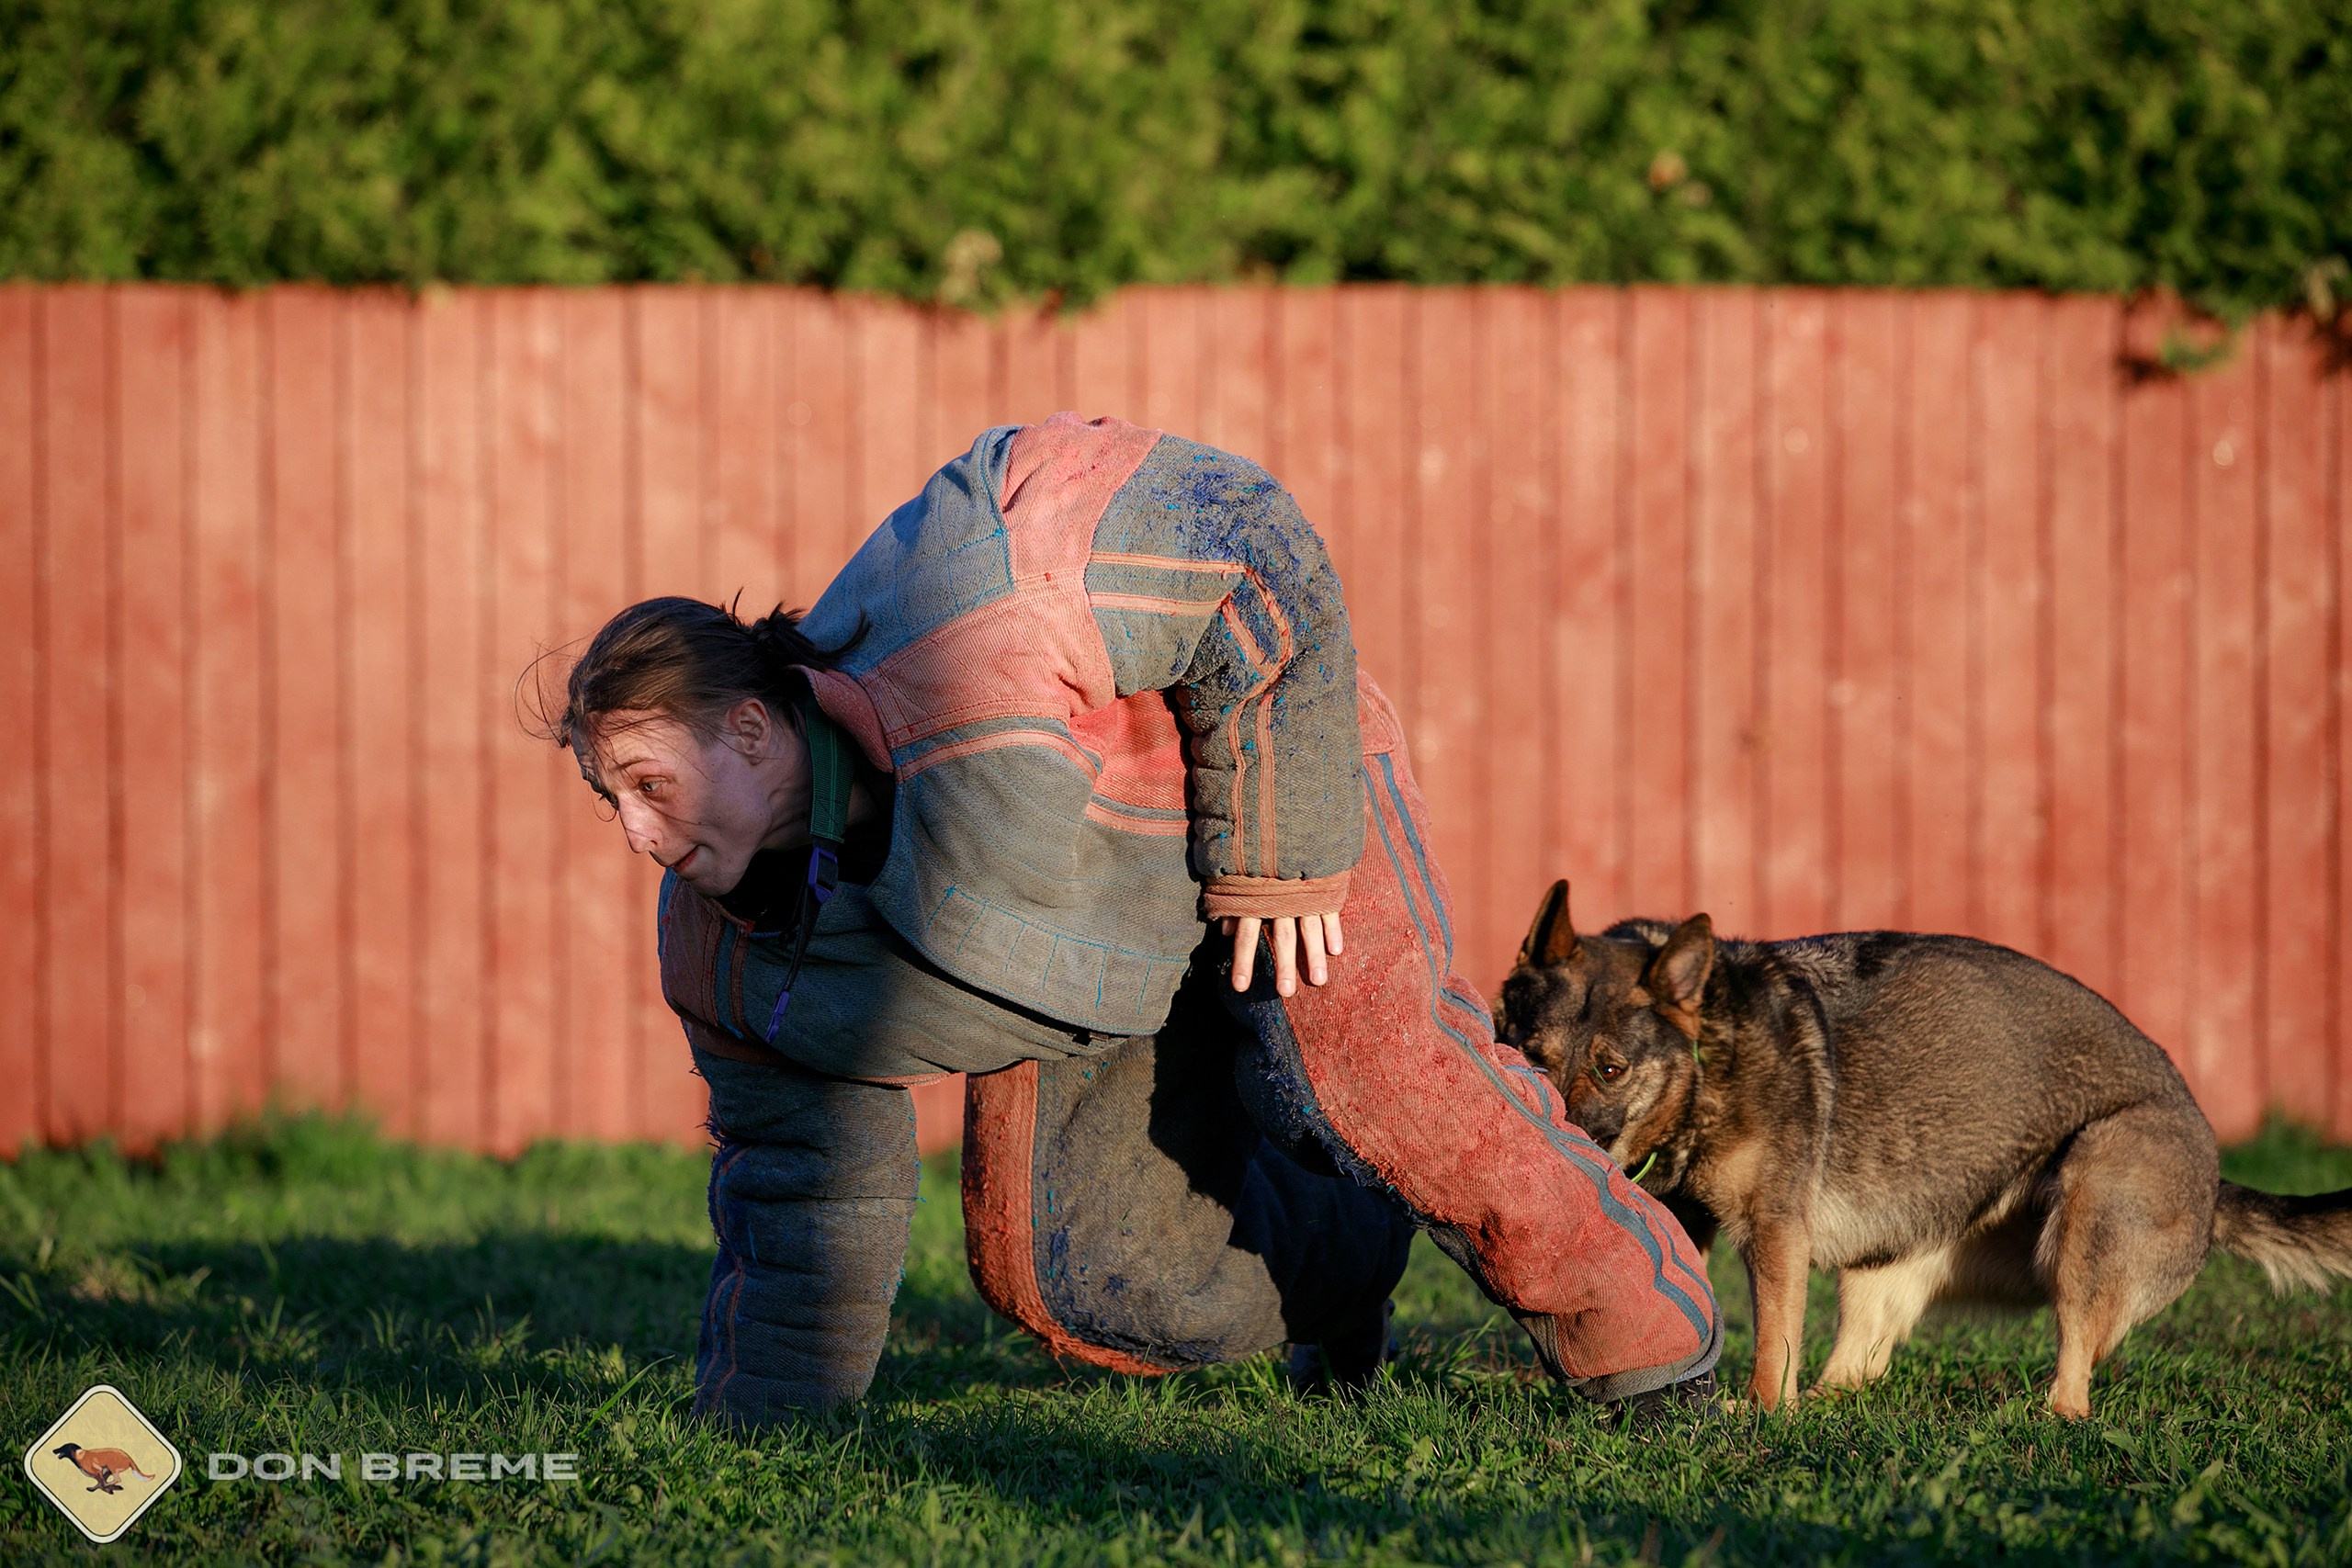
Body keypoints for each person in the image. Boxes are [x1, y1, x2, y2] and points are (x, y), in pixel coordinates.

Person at [547, 413, 1720, 1422]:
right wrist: (766, 1425)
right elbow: (797, 1175)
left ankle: (1646, 1336)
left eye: (652, 785)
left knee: (1348, 1079)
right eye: (613, 802)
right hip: (1080, 962)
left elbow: (1246, 536)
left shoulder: (969, 599)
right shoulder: (724, 946)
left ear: (750, 730)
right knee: (1072, 1278)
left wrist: (1279, 856)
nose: (639, 836)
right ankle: (1352, 1255)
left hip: (1251, 799)